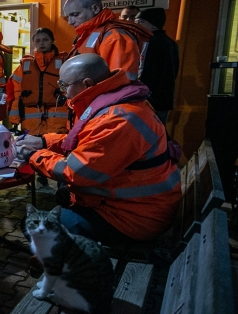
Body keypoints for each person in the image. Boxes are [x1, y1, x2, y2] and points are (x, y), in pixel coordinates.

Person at [15, 54, 181, 245]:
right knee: (62, 197)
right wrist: (44, 142)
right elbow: (88, 142)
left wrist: (33, 155)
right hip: (136, 206)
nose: (63, 93)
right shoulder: (117, 104)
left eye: (64, 85)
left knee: (32, 227)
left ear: (86, 84)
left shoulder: (118, 119)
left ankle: (66, 266)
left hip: (133, 218)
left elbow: (76, 171)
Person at [8, 28, 69, 187]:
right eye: (38, 40)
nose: (42, 43)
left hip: (57, 114)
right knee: (33, 148)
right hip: (31, 115)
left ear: (52, 41)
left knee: (57, 148)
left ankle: (62, 183)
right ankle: (38, 179)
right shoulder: (25, 64)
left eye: (45, 40)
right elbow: (16, 91)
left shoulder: (64, 61)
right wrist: (14, 118)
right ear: (33, 42)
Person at [63, 0, 152, 80]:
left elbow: (120, 82)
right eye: (68, 17)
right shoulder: (88, 34)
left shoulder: (115, 36)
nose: (70, 22)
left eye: (75, 15)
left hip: (99, 93)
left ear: (95, 8)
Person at [135, 8, 180, 124]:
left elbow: (147, 72)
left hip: (150, 99)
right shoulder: (171, 43)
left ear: (154, 24)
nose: (136, 25)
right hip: (164, 98)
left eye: (141, 22)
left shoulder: (151, 43)